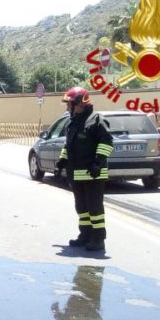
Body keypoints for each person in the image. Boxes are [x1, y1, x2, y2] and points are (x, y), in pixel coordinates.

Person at [55, 87, 114, 251]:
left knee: (95, 209)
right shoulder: (73, 122)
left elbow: (107, 142)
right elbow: (69, 145)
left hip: (93, 174)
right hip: (77, 174)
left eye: (69, 104)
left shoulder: (96, 120)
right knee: (81, 208)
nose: (67, 108)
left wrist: (98, 163)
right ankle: (85, 235)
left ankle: (98, 238)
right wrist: (61, 162)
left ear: (80, 104)